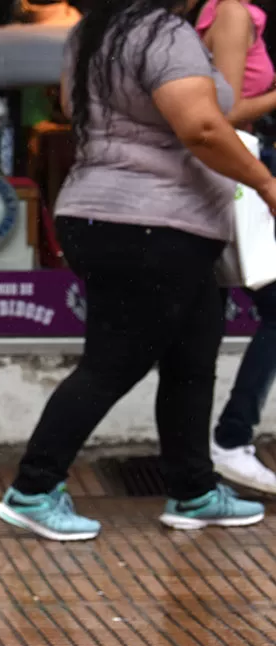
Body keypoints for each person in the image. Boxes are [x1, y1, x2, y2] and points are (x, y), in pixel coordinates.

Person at [0, 0, 276, 541]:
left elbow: (78, 106)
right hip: (149, 220)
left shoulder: (94, 32)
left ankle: (194, 491)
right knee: (113, 362)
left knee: (193, 353)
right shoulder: (163, 33)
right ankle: (34, 487)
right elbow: (202, 128)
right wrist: (265, 183)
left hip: (118, 213)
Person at [199, 0, 276, 492]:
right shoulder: (231, 11)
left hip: (231, 170)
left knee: (199, 319)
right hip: (232, 170)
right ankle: (229, 440)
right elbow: (222, 111)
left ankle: (199, 464)